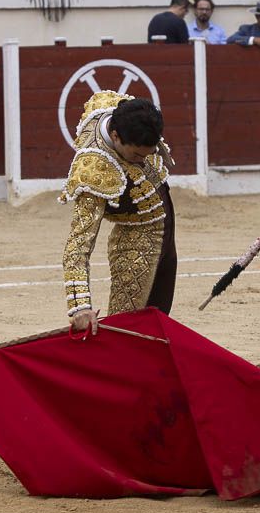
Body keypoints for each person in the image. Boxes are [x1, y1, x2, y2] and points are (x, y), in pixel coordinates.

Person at [61, 92, 177, 333]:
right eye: (136, 155)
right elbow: (77, 244)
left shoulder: (116, 108)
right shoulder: (92, 169)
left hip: (166, 226)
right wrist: (79, 306)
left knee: (157, 320)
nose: (142, 161)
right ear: (115, 136)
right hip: (136, 243)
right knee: (126, 329)